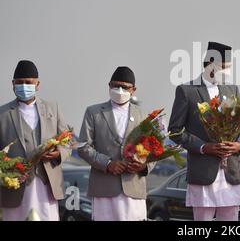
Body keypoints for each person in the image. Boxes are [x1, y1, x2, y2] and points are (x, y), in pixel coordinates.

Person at [168, 41, 240, 221]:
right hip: (203, 171)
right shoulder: (187, 91)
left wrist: (238, 145)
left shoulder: (232, 89)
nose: (227, 71)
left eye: (229, 67)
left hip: (231, 172)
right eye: (223, 67)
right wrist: (204, 147)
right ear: (210, 65)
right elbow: (174, 131)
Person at [0, 60, 70, 220]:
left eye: (28, 82)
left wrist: (59, 154)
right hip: (15, 187)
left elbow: (68, 142)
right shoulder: (2, 114)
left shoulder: (53, 108)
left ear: (37, 84)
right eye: (20, 83)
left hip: (47, 185)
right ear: (13, 84)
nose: (24, 86)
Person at [78, 66, 149, 221]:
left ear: (134, 89)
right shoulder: (94, 112)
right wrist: (108, 164)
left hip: (133, 187)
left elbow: (154, 149)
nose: (119, 90)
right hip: (104, 188)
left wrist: (144, 165)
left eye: (124, 87)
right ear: (109, 86)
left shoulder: (143, 116)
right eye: (115, 86)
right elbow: (83, 146)